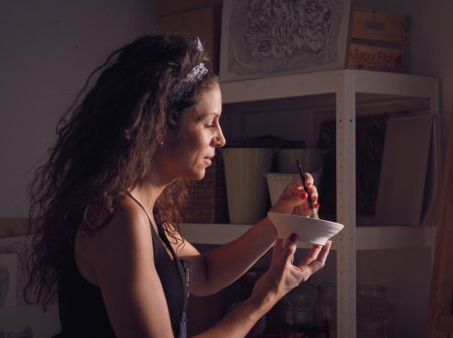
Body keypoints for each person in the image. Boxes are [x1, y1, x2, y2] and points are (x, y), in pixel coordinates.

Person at [24, 34, 330, 337]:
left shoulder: (145, 211)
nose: (221, 139)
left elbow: (205, 274)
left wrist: (277, 220)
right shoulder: (120, 218)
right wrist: (263, 299)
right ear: (159, 126)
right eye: (209, 122)